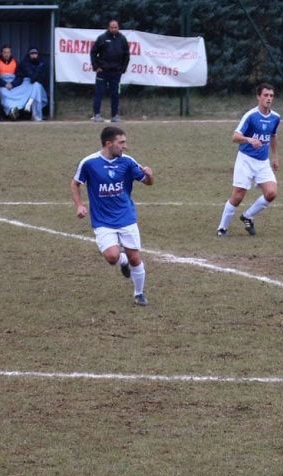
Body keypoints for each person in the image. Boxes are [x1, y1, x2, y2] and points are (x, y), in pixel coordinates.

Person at [71, 126, 155, 306]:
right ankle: (122, 260)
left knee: (135, 258)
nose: (125, 146)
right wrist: (79, 205)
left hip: (126, 216)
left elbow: (148, 182)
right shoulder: (89, 163)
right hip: (102, 220)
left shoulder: (128, 161)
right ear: (108, 143)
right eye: (121, 142)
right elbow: (75, 183)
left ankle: (139, 294)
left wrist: (149, 176)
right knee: (112, 257)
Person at [216, 83, 281, 237]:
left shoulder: (275, 117)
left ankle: (247, 216)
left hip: (263, 162)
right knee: (238, 197)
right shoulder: (250, 116)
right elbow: (235, 137)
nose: (269, 98)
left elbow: (273, 135)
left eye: (271, 96)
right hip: (245, 160)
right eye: (265, 95)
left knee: (271, 193)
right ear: (258, 97)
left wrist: (275, 156)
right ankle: (222, 228)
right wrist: (249, 139)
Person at [90, 19, 130, 123]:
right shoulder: (102, 38)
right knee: (99, 93)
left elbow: (126, 55)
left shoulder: (122, 39)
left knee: (115, 94)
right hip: (102, 71)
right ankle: (97, 115)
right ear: (108, 27)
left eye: (115, 27)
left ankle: (115, 116)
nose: (113, 29)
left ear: (118, 27)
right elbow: (93, 52)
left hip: (116, 72)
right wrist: (96, 67)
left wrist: (123, 68)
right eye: (112, 27)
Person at [19, 47, 49, 121]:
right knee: (36, 86)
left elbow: (42, 78)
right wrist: (38, 69)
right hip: (27, 86)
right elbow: (32, 78)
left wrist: (37, 73)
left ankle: (31, 104)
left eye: (35, 53)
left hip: (38, 87)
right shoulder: (25, 63)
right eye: (32, 53)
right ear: (29, 55)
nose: (33, 55)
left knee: (37, 86)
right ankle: (36, 115)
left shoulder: (42, 63)